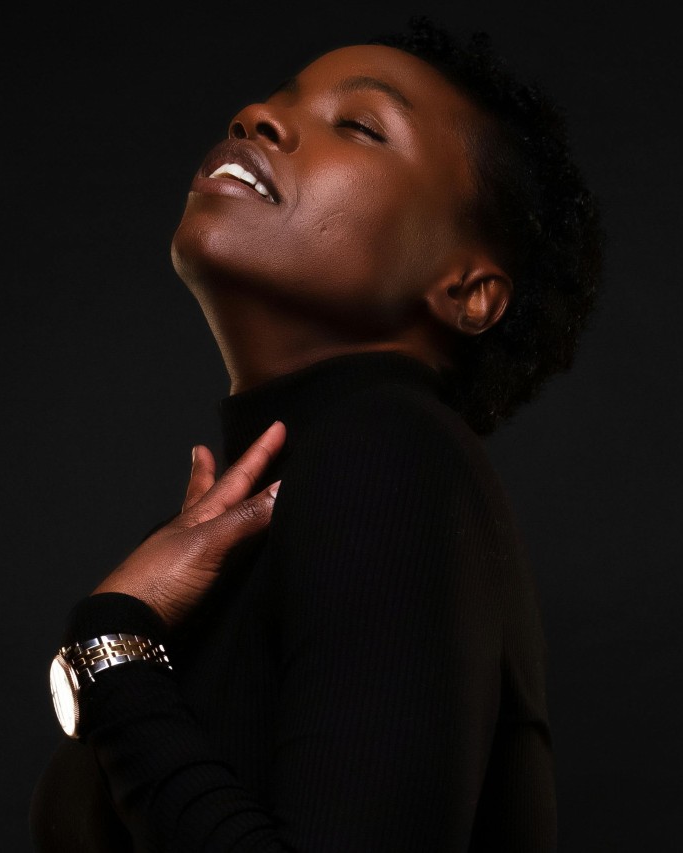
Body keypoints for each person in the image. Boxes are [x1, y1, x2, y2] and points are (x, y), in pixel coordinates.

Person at [30, 16, 602, 852]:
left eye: (361, 126)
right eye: (278, 98)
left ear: (466, 291)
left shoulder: (392, 454)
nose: (257, 115)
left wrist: (112, 644)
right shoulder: (282, 504)